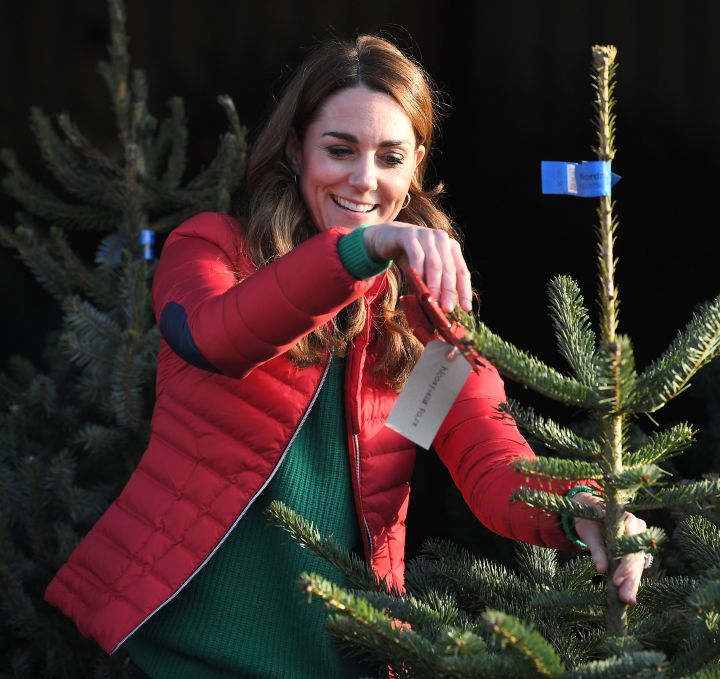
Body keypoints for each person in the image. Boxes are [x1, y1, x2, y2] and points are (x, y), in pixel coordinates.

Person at [44, 35, 648, 678]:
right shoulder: (212, 250)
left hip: (345, 656)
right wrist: (361, 252)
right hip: (190, 653)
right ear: (295, 149)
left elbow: (490, 461)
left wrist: (582, 503)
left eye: (390, 157)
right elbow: (215, 338)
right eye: (339, 150)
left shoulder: (423, 316)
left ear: (415, 165)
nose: (364, 179)